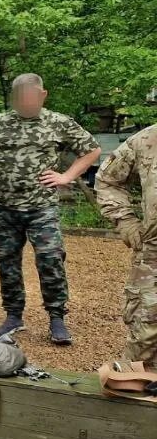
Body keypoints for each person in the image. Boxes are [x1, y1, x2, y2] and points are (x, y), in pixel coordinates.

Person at [0, 74, 100, 345]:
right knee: (8, 263)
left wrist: (66, 176)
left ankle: (57, 318)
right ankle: (13, 316)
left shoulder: (57, 122)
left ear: (42, 95)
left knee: (50, 259)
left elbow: (91, 150)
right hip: (4, 207)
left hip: (41, 207)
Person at [94, 124, 157, 363]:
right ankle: (136, 393)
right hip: (153, 254)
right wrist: (125, 220)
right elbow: (108, 180)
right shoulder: (145, 140)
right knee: (145, 334)